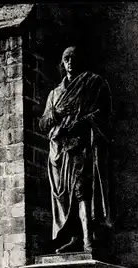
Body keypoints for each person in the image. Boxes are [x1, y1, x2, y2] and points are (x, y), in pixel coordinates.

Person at [39, 46, 112, 253]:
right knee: (66, 195)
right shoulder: (54, 94)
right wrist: (55, 114)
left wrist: (81, 123)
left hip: (82, 146)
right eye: (66, 58)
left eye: (73, 57)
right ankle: (74, 237)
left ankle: (89, 240)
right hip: (60, 152)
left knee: (82, 191)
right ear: (62, 63)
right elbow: (43, 124)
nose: (70, 61)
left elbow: (104, 111)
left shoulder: (92, 83)